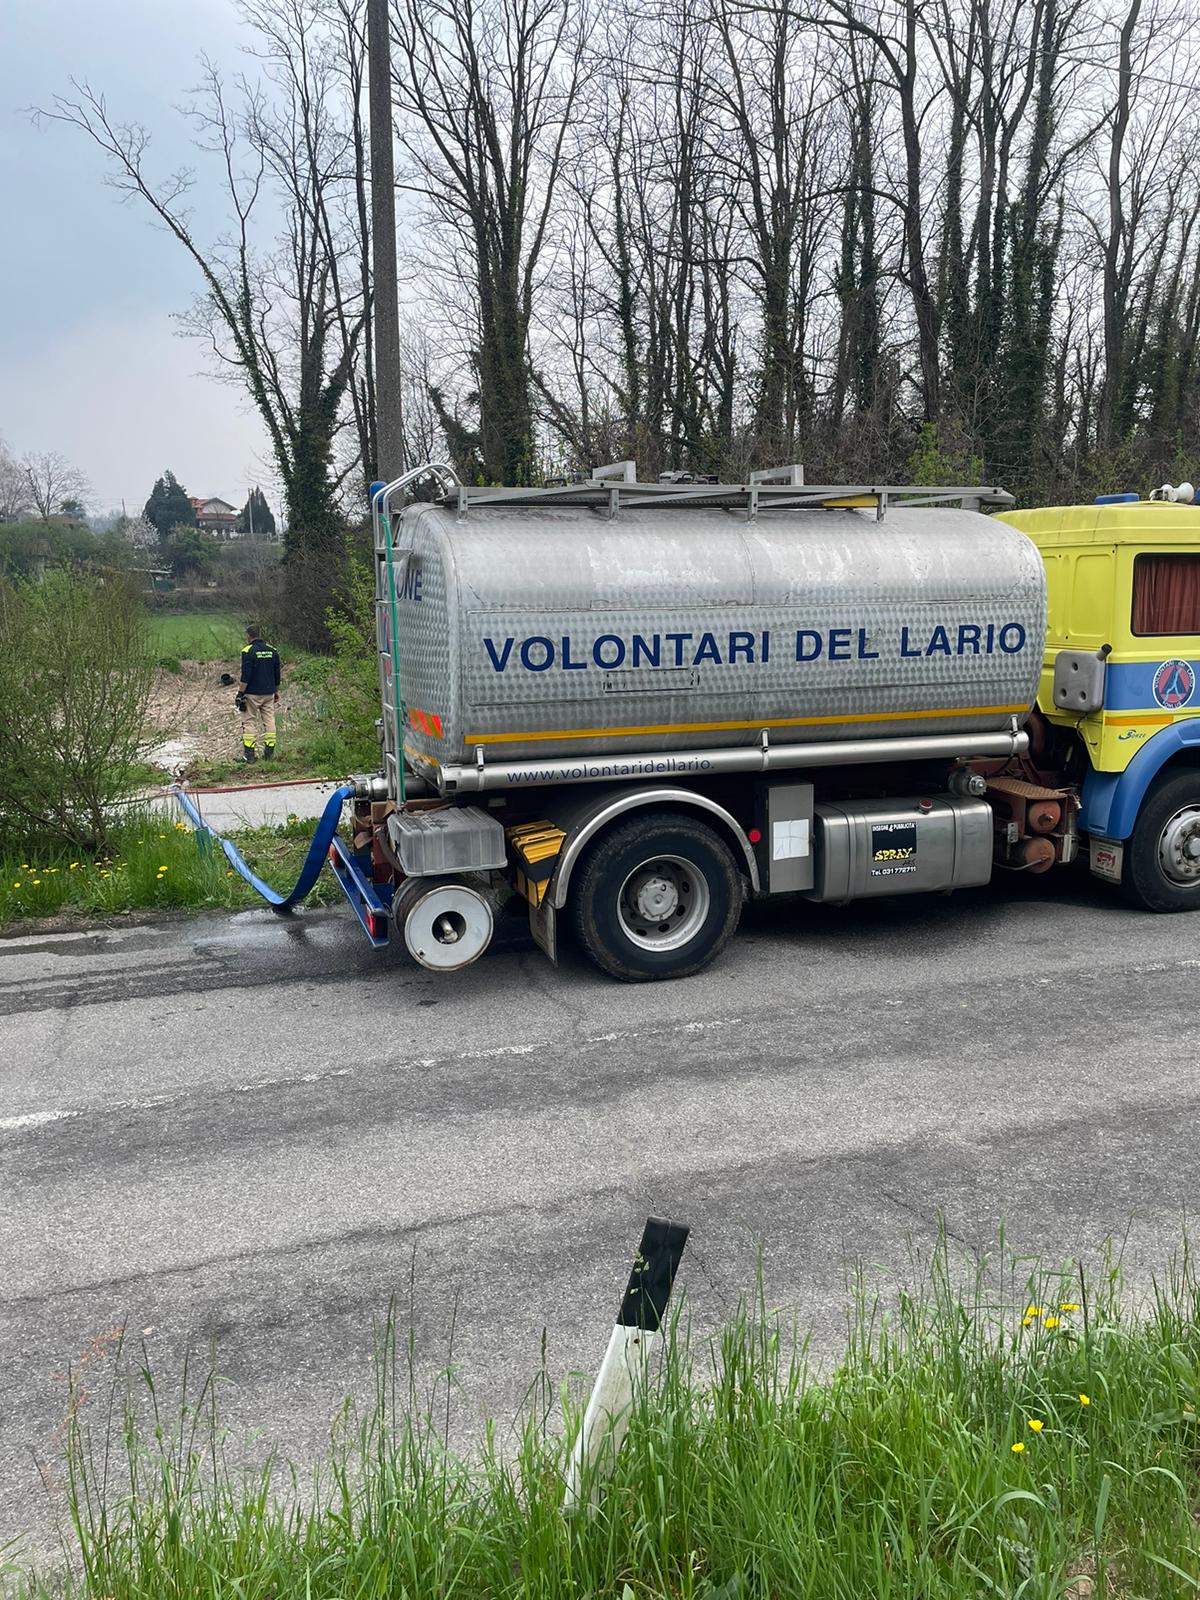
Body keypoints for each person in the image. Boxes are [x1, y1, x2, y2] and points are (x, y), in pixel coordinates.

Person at [236, 623, 282, 762]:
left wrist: (240, 694)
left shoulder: (247, 651)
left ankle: (249, 756)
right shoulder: (272, 650)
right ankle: (269, 755)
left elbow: (246, 675)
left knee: (248, 721)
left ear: (248, 635)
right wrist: (276, 691)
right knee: (269, 721)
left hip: (252, 693)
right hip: (269, 693)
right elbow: (277, 673)